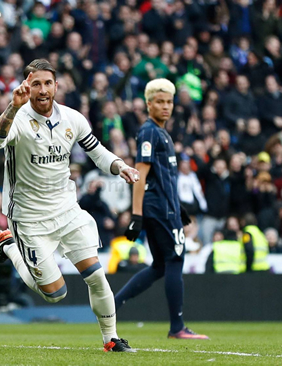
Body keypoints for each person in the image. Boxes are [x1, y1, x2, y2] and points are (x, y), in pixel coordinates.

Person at [0, 59, 140, 352]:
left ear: (56, 86)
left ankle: (111, 338)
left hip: (67, 210)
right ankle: (8, 246)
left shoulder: (73, 118)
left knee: (96, 275)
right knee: (55, 294)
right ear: (26, 86)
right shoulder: (18, 119)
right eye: (36, 83)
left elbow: (97, 152)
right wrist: (12, 106)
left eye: (48, 83)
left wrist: (120, 166)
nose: (42, 89)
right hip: (29, 217)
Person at [114, 78, 209, 340]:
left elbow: (161, 176)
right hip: (159, 208)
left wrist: (177, 206)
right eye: (159, 101)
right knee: (175, 260)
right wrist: (136, 215)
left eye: (169, 101)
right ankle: (177, 327)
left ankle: (112, 304)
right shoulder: (149, 132)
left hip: (166, 206)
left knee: (160, 266)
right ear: (148, 104)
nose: (165, 106)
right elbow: (139, 175)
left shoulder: (160, 132)